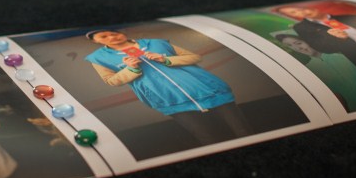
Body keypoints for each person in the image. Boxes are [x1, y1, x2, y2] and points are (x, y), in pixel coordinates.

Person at [84, 30, 251, 146]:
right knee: (205, 137)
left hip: (206, 88)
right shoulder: (98, 58)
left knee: (242, 129)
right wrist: (131, 69)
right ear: (95, 41)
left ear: (123, 33)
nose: (111, 37)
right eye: (104, 36)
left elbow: (194, 57)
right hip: (167, 98)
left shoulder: (157, 43)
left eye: (114, 33)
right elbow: (111, 81)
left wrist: (166, 59)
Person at [273, 32, 356, 113]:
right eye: (291, 46)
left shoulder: (341, 56)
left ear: (307, 40)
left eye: (298, 43)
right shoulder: (309, 70)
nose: (298, 48)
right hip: (352, 112)